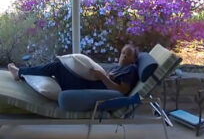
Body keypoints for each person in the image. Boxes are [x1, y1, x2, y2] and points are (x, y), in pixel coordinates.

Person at [7, 44, 139, 95]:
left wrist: (103, 76)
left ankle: (19, 72)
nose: (124, 55)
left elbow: (122, 91)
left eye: (128, 54)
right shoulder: (118, 68)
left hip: (89, 88)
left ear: (133, 59)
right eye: (123, 52)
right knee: (57, 67)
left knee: (56, 67)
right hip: (88, 83)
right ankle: (22, 73)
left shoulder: (130, 69)